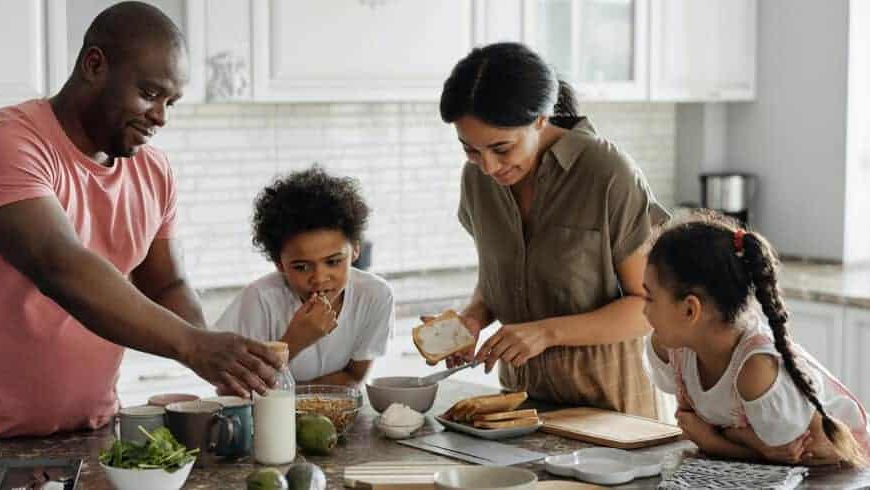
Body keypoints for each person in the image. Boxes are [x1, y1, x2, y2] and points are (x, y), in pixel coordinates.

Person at [0, 1, 279, 447]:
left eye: (171, 102)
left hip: (91, 433)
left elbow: (167, 284)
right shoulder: (6, 142)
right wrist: (193, 345)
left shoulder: (153, 170)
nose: (161, 116)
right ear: (94, 65)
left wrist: (217, 357)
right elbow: (61, 267)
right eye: (149, 94)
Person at [436, 42, 668, 418]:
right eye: (471, 150)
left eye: (502, 148)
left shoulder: (606, 172)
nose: (489, 167)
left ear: (541, 119)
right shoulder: (476, 180)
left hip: (613, 412)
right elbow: (504, 277)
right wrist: (473, 318)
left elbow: (650, 307)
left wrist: (546, 333)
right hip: (521, 411)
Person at [642, 213, 869, 467]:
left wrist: (714, 440)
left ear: (689, 310)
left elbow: (810, 455)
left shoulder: (757, 369)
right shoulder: (673, 348)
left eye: (649, 298)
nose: (643, 311)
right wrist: (746, 441)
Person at [213, 166, 394, 387]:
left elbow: (354, 377)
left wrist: (301, 401)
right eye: (301, 267)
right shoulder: (259, 300)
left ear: (355, 250)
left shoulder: (375, 295)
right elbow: (232, 390)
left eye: (333, 261)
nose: (319, 278)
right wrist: (294, 341)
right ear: (279, 264)